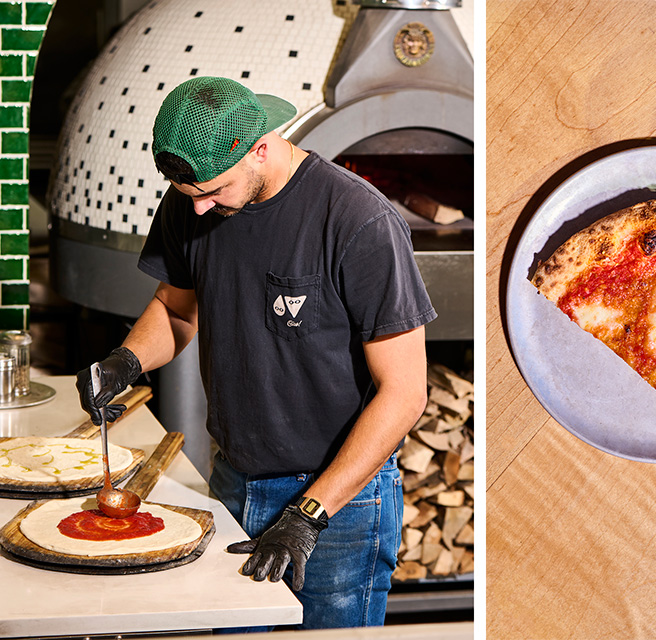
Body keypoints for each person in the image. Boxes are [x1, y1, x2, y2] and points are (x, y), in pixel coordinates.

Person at [75, 76, 437, 629]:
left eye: (212, 190)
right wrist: (127, 360)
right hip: (235, 483)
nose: (198, 209)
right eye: (188, 194)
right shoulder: (194, 201)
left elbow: (406, 392)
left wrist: (307, 516)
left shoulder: (358, 220)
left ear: (261, 147)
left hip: (341, 505)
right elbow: (176, 311)